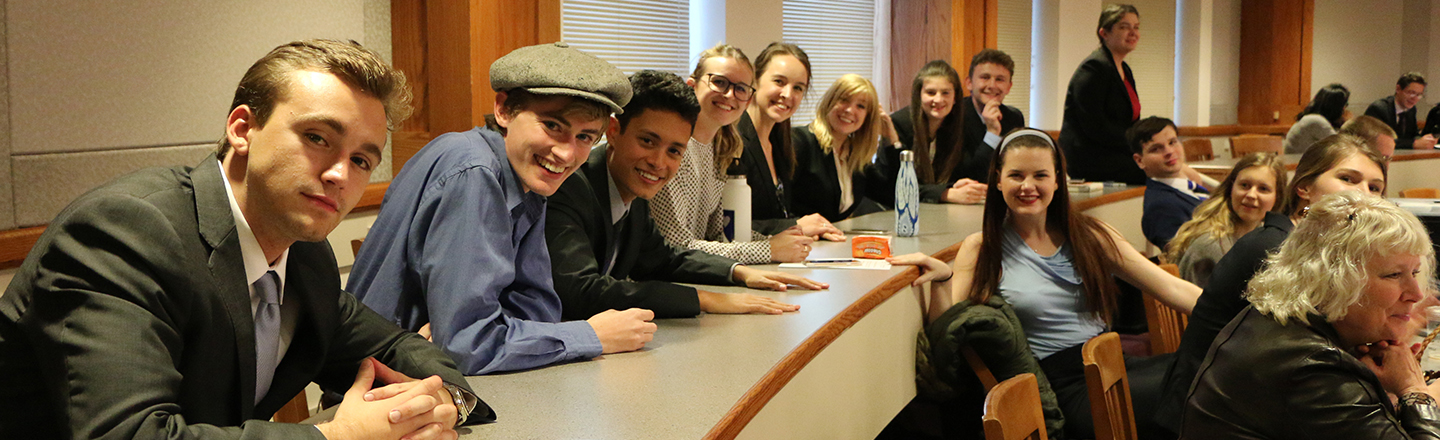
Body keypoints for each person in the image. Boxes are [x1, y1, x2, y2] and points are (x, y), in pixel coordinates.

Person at [0, 39, 493, 439]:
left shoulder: (303, 259)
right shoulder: (126, 233)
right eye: (318, 138)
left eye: (363, 159)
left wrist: (444, 402)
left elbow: (398, 346)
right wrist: (336, 438)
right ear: (242, 128)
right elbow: (130, 434)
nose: (341, 173)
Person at [348, 42, 657, 375]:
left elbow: (537, 309)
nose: (567, 155)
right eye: (553, 126)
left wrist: (475, 333)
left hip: (426, 378)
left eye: (585, 137)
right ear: (504, 110)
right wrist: (592, 335)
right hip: (376, 391)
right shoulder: (475, 173)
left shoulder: (524, 177)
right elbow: (468, 345)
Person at [891, 129, 1201, 439]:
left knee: (1210, 368)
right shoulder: (983, 247)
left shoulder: (1090, 236)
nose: (1028, 186)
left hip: (1113, 367)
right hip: (1063, 390)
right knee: (1203, 385)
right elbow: (950, 333)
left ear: (1057, 180)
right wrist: (943, 280)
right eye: (1016, 175)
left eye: (1040, 175)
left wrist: (1242, 319)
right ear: (998, 180)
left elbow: (1173, 289)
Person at [1156, 133, 1389, 435]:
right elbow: (1324, 347)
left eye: (1375, 188)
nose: (1364, 194)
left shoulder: (1315, 251)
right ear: (1304, 187)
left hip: (1257, 403)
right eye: (1348, 178)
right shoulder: (1273, 248)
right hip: (1206, 419)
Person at [545, 69, 821, 321]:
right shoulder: (569, 187)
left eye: (674, 151)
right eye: (647, 141)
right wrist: (703, 299)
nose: (658, 162)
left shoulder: (633, 189)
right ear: (614, 131)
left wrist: (738, 272)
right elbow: (578, 292)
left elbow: (664, 258)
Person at [1182, 191, 1440, 438]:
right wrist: (1416, 392)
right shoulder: (1313, 367)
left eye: (1415, 272)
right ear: (1334, 280)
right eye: (1394, 275)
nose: (1416, 294)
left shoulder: (1282, 319)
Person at [649, 43, 822, 265]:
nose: (729, 95)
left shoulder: (723, 147)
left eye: (740, 88)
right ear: (691, 86)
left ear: (748, 98)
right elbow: (676, 246)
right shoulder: (672, 149)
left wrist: (783, 242)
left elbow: (719, 234)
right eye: (719, 82)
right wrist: (768, 249)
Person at [729, 42, 845, 240]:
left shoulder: (783, 143)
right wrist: (795, 226)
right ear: (755, 80)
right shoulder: (733, 139)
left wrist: (813, 229)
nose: (788, 94)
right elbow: (727, 226)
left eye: (798, 88)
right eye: (779, 82)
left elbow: (777, 213)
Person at [879, 50, 1026, 205]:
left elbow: (957, 177)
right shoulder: (950, 117)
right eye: (985, 77)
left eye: (1000, 79)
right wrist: (946, 192)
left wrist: (953, 187)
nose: (991, 85)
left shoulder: (953, 119)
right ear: (969, 83)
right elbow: (894, 183)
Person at [1164, 153, 1287, 289]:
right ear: (1231, 189)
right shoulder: (1210, 245)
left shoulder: (1266, 238)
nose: (1251, 195)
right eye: (1244, 185)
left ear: (1277, 198)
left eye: (1263, 189)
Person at [1061, 4, 1148, 185]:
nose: (1133, 33)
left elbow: (1131, 121)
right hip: (1090, 157)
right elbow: (1095, 127)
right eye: (1124, 27)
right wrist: (1136, 145)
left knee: (1162, 165)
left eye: (1136, 27)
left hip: (1115, 151)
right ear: (1104, 33)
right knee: (1152, 170)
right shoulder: (1093, 69)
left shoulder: (1124, 69)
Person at [789, 74, 888, 222]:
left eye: (860, 106)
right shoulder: (801, 141)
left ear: (868, 117)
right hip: (800, 239)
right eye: (844, 100)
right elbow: (780, 204)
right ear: (830, 101)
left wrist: (893, 140)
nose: (849, 110)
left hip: (833, 241)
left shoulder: (855, 154)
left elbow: (891, 195)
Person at [1130, 116, 1208, 249]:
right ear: (1140, 161)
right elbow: (1185, 256)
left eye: (1172, 142)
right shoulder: (1161, 207)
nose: (1169, 152)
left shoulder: (1188, 185)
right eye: (1156, 149)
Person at [1365, 72, 1436, 150]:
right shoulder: (1379, 108)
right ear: (1398, 89)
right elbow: (1378, 141)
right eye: (1411, 93)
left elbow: (1412, 135)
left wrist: (1426, 140)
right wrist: (1414, 143)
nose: (1415, 98)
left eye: (1419, 95)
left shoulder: (1411, 110)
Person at [1284, 83, 1350, 154]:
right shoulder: (1316, 121)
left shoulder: (1312, 118)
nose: (1345, 109)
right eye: (1345, 105)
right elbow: (1341, 147)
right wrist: (1349, 124)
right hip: (1298, 163)